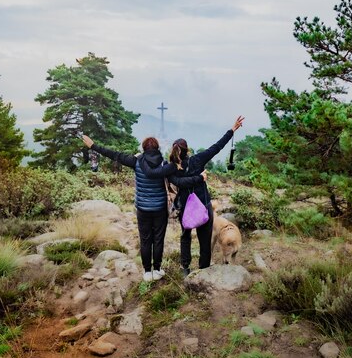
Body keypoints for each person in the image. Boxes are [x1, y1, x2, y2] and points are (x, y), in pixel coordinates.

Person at [81, 135, 205, 282]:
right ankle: (157, 269)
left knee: (145, 240)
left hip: (142, 209)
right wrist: (199, 177)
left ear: (144, 149)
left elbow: (115, 155)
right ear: (157, 148)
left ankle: (147, 272)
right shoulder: (165, 164)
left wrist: (94, 146)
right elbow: (179, 180)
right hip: (159, 209)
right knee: (158, 239)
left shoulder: (136, 161)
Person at [141, 116, 244, 276]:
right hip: (203, 205)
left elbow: (178, 182)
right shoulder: (198, 160)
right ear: (187, 150)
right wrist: (232, 130)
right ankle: (203, 268)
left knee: (185, 237)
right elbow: (217, 147)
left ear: (174, 150)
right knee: (204, 240)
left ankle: (185, 268)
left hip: (185, 207)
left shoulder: (171, 167)